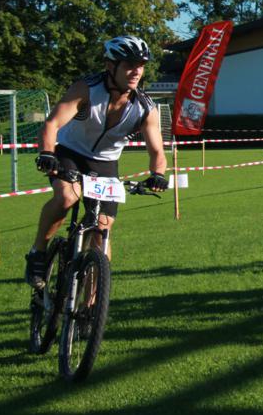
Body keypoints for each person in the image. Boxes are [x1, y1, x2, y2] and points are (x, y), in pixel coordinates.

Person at [26, 36, 168, 288]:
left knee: (103, 228)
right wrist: (47, 153)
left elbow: (157, 151)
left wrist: (158, 174)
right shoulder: (86, 89)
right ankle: (38, 251)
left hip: (105, 164)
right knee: (67, 197)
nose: (136, 71)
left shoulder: (145, 107)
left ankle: (92, 304)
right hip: (70, 152)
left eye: (141, 65)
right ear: (111, 65)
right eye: (129, 65)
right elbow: (52, 124)